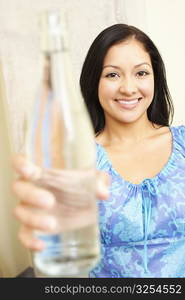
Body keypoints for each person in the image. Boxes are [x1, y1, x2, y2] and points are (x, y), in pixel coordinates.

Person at [12, 23, 185, 278]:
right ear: (95, 82)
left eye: (141, 73)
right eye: (113, 75)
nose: (128, 87)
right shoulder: (75, 160)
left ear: (155, 78)